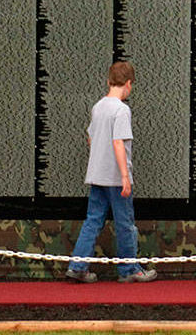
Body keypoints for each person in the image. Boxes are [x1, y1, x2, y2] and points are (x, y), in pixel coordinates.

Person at [65, 61, 158, 284]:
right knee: (125, 222)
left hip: (97, 175)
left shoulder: (98, 107)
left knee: (93, 221)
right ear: (128, 84)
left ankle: (77, 266)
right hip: (116, 178)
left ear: (108, 81)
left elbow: (90, 138)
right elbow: (118, 142)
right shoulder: (121, 110)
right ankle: (129, 269)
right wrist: (125, 176)